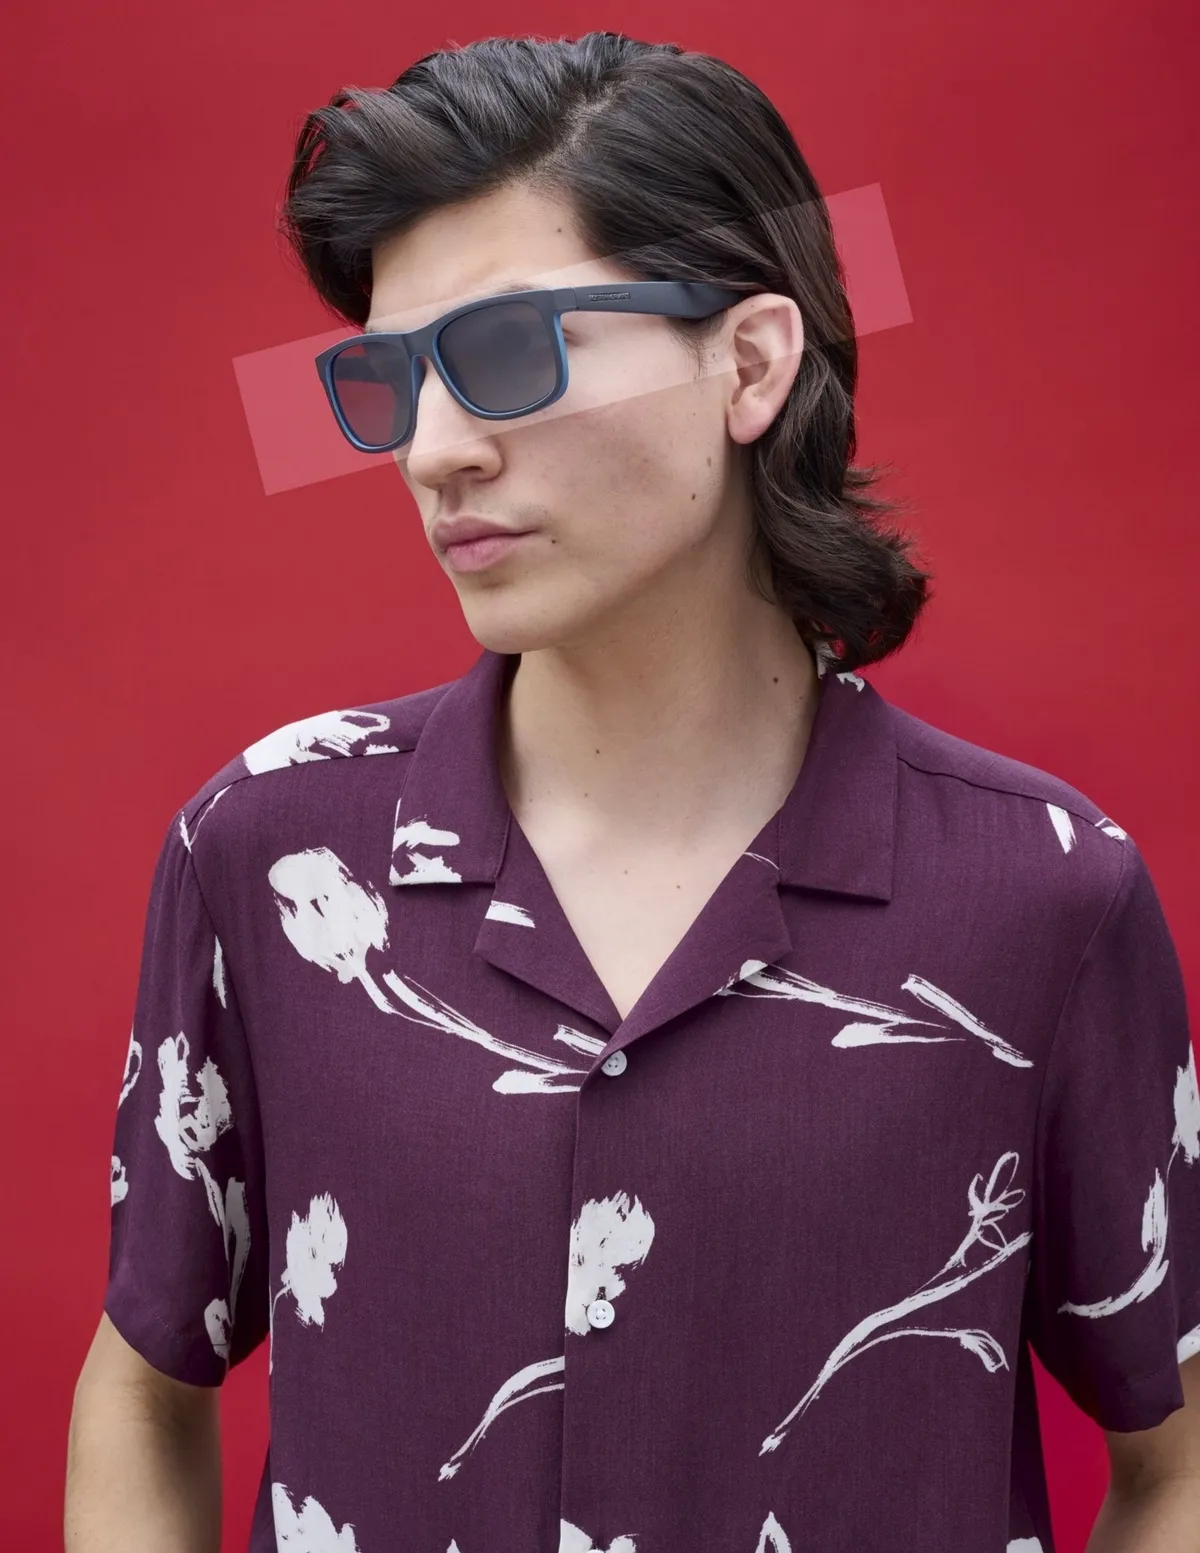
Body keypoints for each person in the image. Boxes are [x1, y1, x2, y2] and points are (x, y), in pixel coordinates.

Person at [65, 29, 1200, 1553]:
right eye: (390, 380)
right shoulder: (271, 852)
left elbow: (1180, 1457)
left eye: (507, 355)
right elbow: (146, 1391)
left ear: (750, 363)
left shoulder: (1044, 892)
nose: (434, 451)